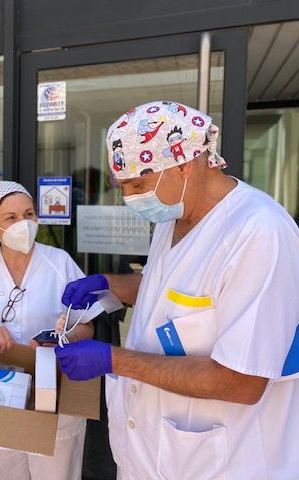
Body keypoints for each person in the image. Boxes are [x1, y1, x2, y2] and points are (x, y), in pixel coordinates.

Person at [57, 100, 299, 479]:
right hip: (147, 456)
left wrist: (113, 360)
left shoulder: (258, 232)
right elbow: (168, 291)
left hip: (221, 462)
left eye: (138, 184)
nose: (130, 198)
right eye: (123, 187)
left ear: (184, 163)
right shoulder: (176, 216)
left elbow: (243, 380)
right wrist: (109, 287)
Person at [0, 180, 101, 480]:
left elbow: (88, 327)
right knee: (5, 473)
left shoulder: (60, 263)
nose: (24, 223)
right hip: (0, 393)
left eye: (29, 214)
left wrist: (63, 336)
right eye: (11, 217)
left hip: (56, 392)